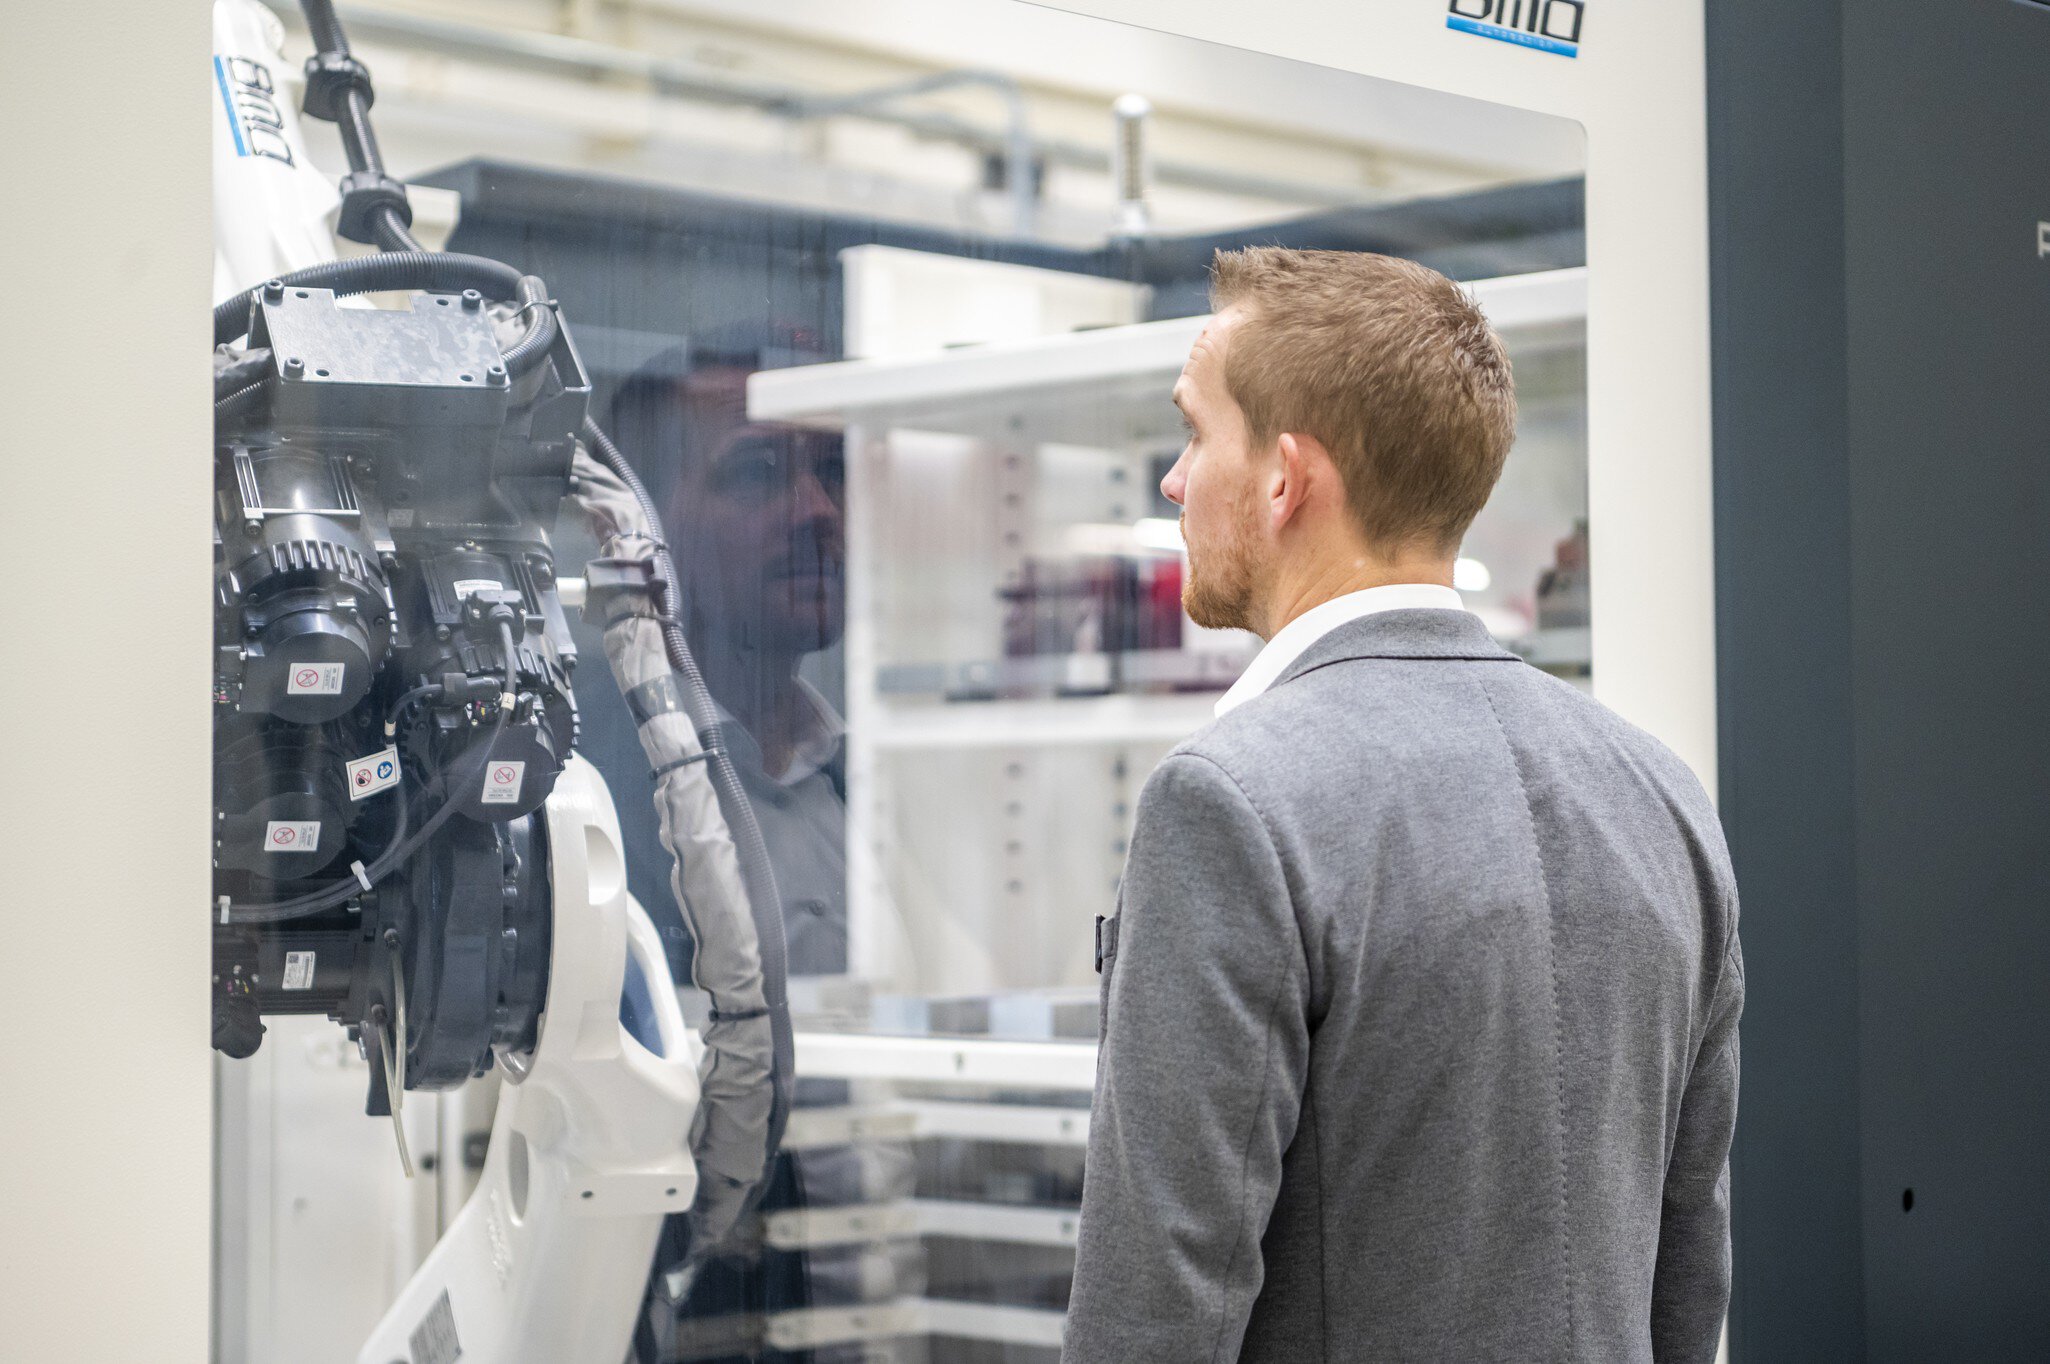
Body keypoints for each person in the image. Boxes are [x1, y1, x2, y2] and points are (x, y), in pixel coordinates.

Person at [1063, 249, 1742, 1364]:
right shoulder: (1663, 795)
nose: (1175, 482)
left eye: (1195, 432)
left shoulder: (1231, 804)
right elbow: (1686, 1282)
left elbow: (1154, 1314)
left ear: (1285, 479)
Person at [607, 332, 905, 1363]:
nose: (817, 510)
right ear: (642, 530)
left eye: (831, 470)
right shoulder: (593, 806)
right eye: (756, 472)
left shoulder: (872, 789)